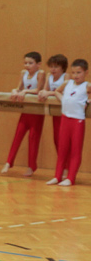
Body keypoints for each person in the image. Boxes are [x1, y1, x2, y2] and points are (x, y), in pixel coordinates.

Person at [1, 52, 46, 176]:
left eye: (30, 63)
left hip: (37, 112)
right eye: (25, 63)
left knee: (33, 138)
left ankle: (31, 166)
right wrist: (14, 91)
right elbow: (19, 88)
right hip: (26, 111)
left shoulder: (41, 73)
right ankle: (8, 162)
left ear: (38, 64)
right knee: (17, 136)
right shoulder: (23, 73)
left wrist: (25, 91)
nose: (27, 65)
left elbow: (38, 90)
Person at [47, 58, 88, 188]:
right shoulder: (67, 83)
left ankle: (70, 178)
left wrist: (88, 101)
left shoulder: (87, 86)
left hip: (77, 121)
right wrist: (64, 99)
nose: (76, 75)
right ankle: (57, 176)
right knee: (62, 150)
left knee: (75, 151)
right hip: (65, 119)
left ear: (86, 72)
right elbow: (56, 91)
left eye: (79, 72)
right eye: (74, 72)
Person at [44, 54, 69, 164]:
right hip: (55, 112)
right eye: (51, 66)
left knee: (64, 140)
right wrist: (42, 93)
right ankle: (62, 165)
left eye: (56, 67)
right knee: (56, 139)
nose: (53, 69)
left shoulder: (66, 77)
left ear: (63, 68)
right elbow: (44, 90)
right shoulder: (49, 76)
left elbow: (64, 92)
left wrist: (49, 93)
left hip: (65, 112)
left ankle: (66, 166)